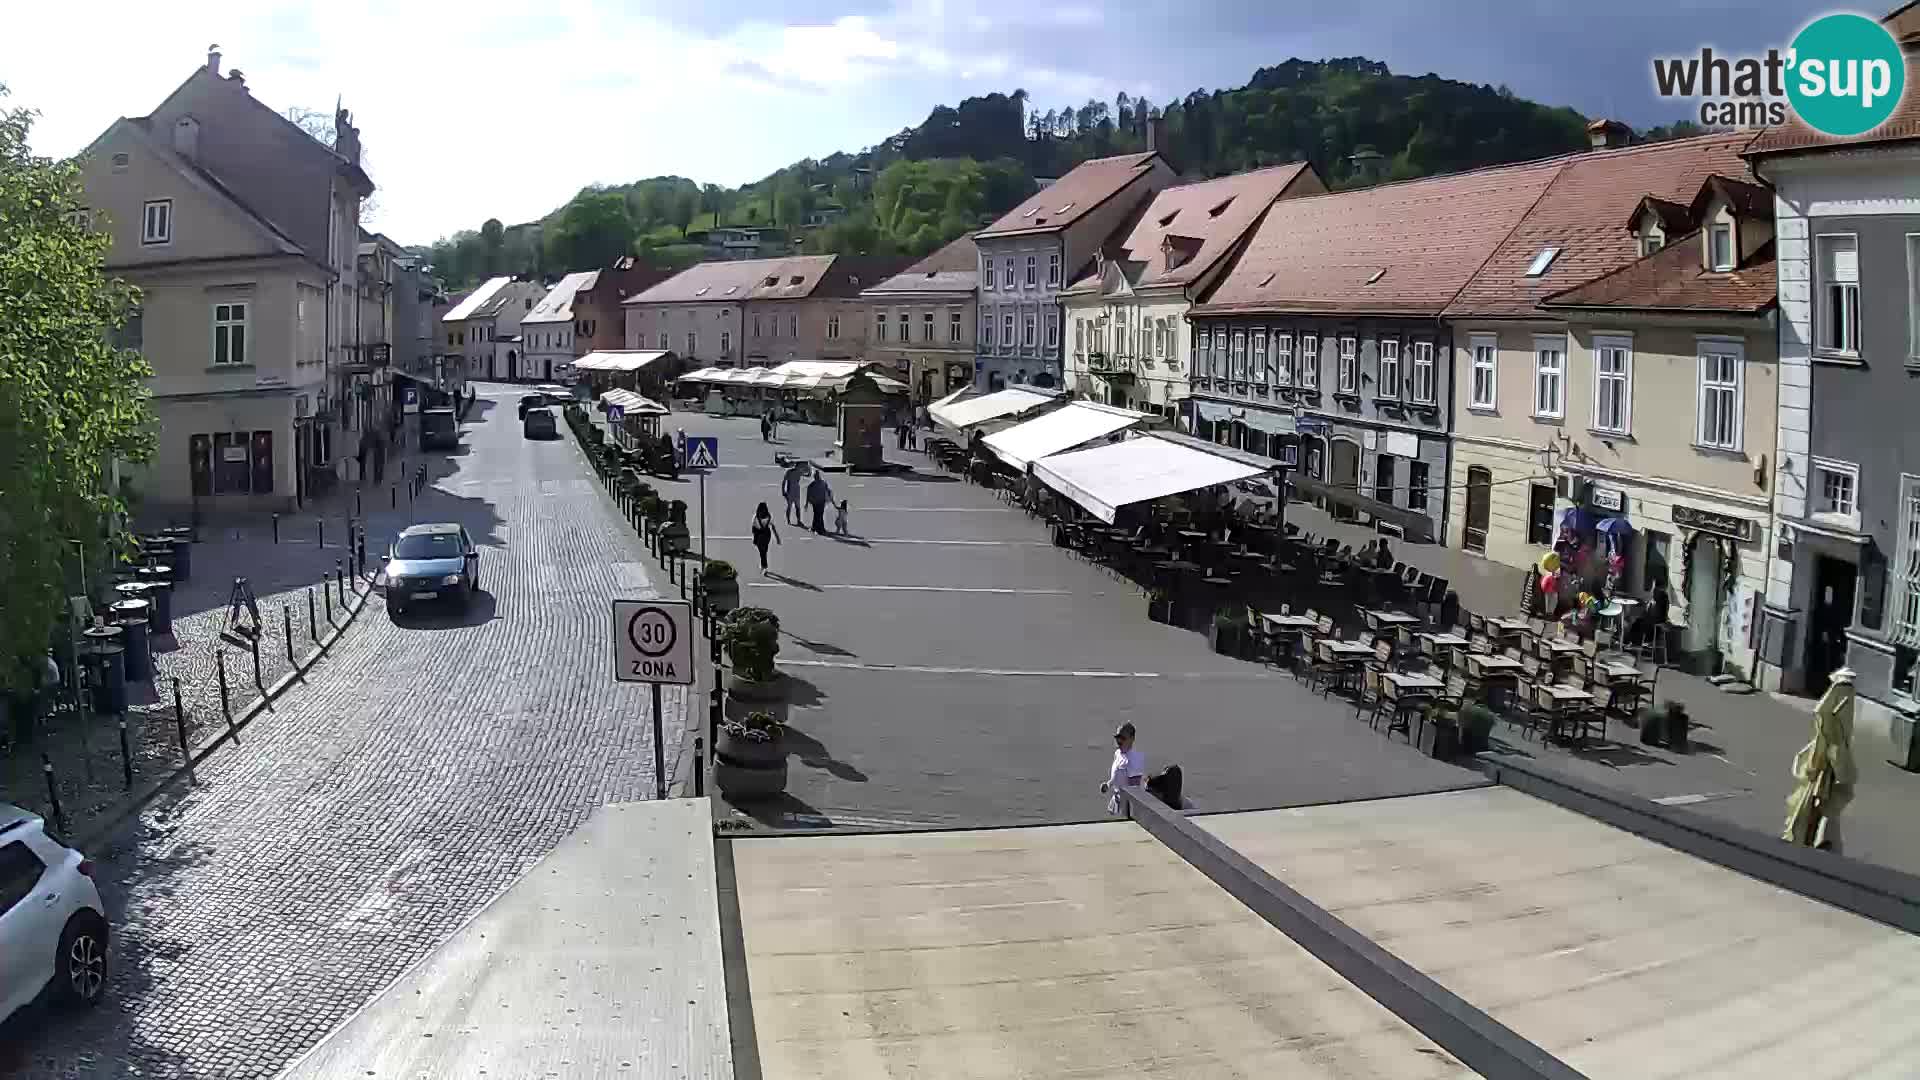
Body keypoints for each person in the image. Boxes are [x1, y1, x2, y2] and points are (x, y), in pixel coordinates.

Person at [1100, 722, 1146, 816]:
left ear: (1132, 739)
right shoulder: (1118, 753)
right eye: (1117, 737)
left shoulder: (1135, 759)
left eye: (1123, 738)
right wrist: (1108, 785)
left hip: (1127, 808)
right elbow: (1116, 778)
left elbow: (1134, 790)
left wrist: (1128, 812)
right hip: (1116, 803)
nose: (1119, 741)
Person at [751, 501, 781, 572]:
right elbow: (773, 528)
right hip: (767, 535)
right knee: (764, 550)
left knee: (762, 551)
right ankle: (764, 566)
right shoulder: (769, 516)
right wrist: (777, 538)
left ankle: (764, 566)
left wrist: (755, 538)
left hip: (758, 535)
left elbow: (753, 528)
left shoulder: (755, 517)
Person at [781, 460, 809, 526]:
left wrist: (809, 468)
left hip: (796, 492)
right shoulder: (789, 472)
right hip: (790, 492)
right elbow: (784, 482)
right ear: (796, 466)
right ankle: (788, 520)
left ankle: (799, 521)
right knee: (789, 507)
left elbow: (808, 474)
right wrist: (783, 491)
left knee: (798, 507)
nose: (800, 468)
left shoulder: (799, 472)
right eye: (799, 466)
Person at [806, 470, 832, 535]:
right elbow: (828, 491)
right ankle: (820, 529)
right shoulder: (821, 483)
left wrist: (807, 503)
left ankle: (815, 528)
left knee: (817, 515)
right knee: (819, 515)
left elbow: (808, 494)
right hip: (818, 502)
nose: (816, 477)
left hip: (818, 502)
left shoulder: (813, 484)